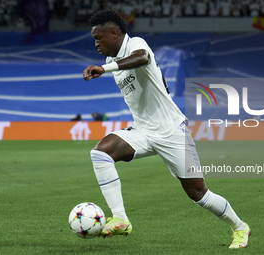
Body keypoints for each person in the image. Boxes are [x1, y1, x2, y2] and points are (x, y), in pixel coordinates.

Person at [83, 9, 250, 248]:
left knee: (198, 193)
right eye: (94, 39)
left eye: (99, 38)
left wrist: (105, 68)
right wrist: (107, 66)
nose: (96, 43)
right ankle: (120, 218)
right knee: (101, 152)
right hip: (142, 131)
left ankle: (240, 227)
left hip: (172, 131)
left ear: (115, 33)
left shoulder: (135, 44)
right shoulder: (112, 61)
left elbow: (143, 58)